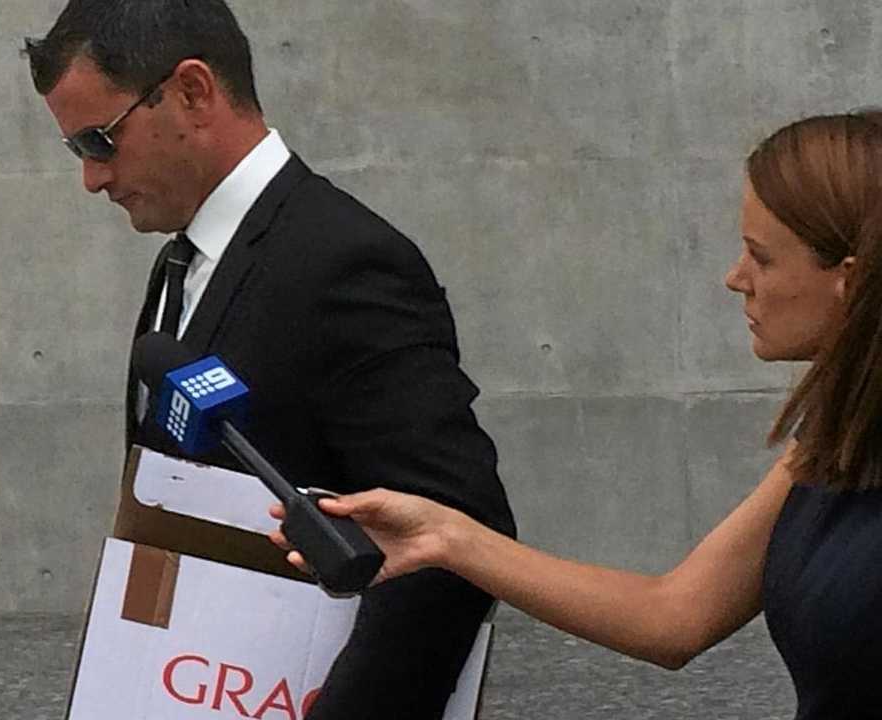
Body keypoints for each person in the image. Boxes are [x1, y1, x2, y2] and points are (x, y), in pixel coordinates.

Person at [272, 110, 882, 720]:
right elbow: (674, 617)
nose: (734, 278)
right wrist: (446, 538)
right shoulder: (833, 439)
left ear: (848, 282)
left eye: (762, 258)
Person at [25, 1, 515, 717]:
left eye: (98, 142)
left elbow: (454, 548)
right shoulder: (182, 264)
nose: (92, 179)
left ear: (192, 91)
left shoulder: (345, 262)